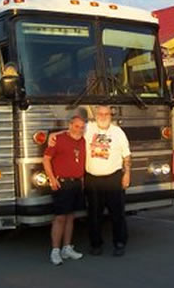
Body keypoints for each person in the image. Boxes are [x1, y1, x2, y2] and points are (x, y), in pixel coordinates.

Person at [84, 105, 132, 256]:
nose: (103, 116)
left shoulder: (118, 132)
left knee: (117, 214)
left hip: (113, 178)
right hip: (92, 179)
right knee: (94, 214)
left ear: (111, 116)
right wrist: (55, 136)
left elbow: (127, 155)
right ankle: (96, 244)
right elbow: (71, 131)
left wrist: (127, 174)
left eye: (106, 114)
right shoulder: (87, 129)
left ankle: (119, 243)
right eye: (100, 113)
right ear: (95, 115)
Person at [42, 115, 87, 265]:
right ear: (70, 125)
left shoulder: (82, 141)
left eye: (82, 127)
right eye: (76, 126)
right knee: (60, 217)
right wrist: (52, 178)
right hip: (62, 183)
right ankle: (55, 250)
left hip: (76, 183)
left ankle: (67, 248)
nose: (79, 129)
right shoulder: (58, 140)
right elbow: (46, 159)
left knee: (70, 217)